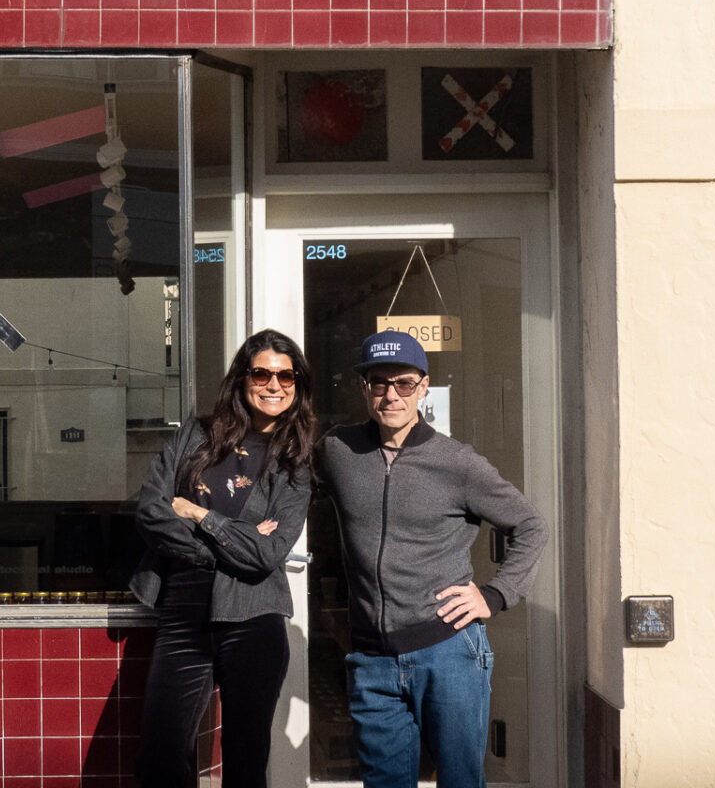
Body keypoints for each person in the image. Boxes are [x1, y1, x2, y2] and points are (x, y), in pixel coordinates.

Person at [317, 330, 547, 788]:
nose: (391, 395)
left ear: (423, 387)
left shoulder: (457, 463)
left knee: (460, 780)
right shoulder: (338, 451)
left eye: (403, 383)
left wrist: (496, 595)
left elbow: (531, 526)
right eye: (379, 383)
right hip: (371, 657)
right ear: (364, 389)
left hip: (448, 652)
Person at [130, 329, 318, 788]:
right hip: (184, 612)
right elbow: (151, 511)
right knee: (159, 753)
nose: (274, 385)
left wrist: (199, 515)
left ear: (297, 385)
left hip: (254, 616)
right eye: (262, 373)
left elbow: (267, 553)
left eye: (286, 376)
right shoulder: (195, 435)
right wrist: (226, 544)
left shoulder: (295, 464)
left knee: (244, 761)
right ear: (242, 378)